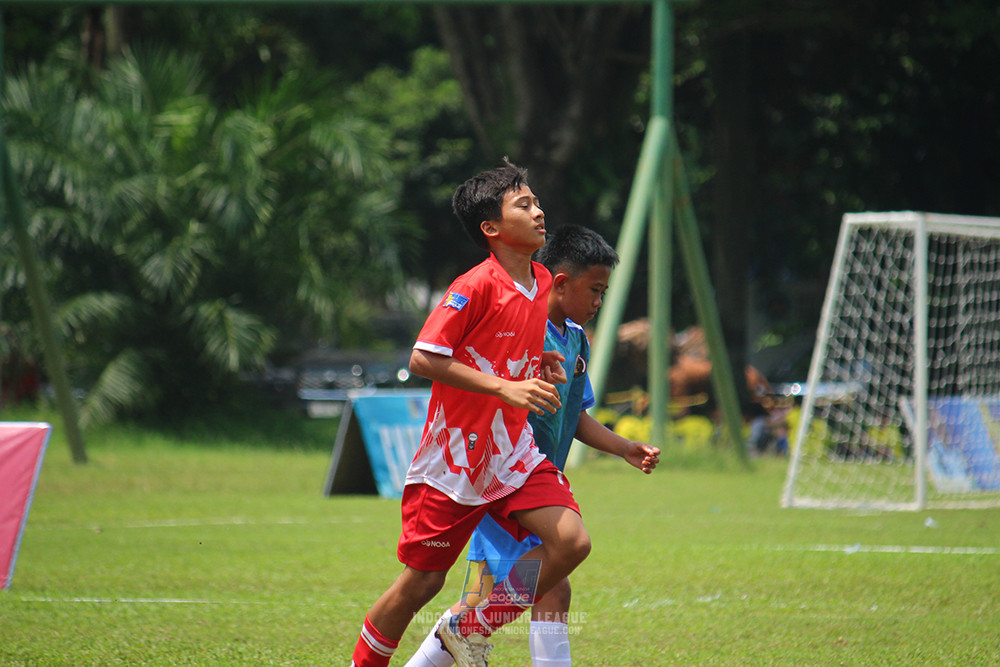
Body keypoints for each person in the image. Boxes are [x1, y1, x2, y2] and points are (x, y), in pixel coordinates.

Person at [351, 160, 590, 667]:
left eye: (537, 201)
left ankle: (469, 627)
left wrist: (539, 361)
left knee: (569, 543)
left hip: (512, 455)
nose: (539, 211)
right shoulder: (474, 284)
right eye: (523, 205)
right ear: (491, 228)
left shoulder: (542, 280)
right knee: (423, 581)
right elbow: (424, 357)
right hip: (455, 460)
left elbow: (507, 346)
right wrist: (506, 386)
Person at [404, 225, 661, 667]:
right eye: (595, 289)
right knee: (553, 581)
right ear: (561, 283)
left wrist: (622, 447)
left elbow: (574, 413)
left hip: (534, 483)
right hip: (503, 477)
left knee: (485, 594)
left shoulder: (575, 339)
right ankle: (467, 631)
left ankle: (449, 642)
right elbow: (466, 373)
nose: (600, 301)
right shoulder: (523, 328)